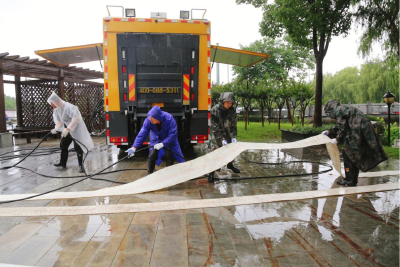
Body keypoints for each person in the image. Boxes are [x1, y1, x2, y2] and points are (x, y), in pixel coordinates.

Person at [322, 100, 388, 186]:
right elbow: (342, 125)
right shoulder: (343, 108)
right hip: (362, 128)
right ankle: (352, 180)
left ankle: (349, 180)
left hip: (357, 130)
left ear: (330, 109)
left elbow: (342, 128)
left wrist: (337, 139)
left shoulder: (339, 111)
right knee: (353, 155)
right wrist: (329, 131)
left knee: (348, 154)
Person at [126, 105, 185, 174]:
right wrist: (134, 147)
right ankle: (150, 173)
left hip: (168, 138)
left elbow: (173, 134)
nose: (150, 120)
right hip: (156, 137)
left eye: (152, 118)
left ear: (158, 118)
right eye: (150, 117)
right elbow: (142, 134)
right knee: (152, 154)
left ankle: (170, 173)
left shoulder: (169, 119)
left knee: (169, 154)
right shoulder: (148, 121)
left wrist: (163, 143)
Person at [47, 92, 94, 173]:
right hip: (68, 129)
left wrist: (68, 128)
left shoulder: (69, 107)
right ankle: (62, 163)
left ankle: (81, 166)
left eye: (52, 103)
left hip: (77, 129)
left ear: (56, 101)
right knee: (63, 144)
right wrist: (56, 128)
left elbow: (76, 119)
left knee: (78, 147)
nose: (52, 105)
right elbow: (60, 121)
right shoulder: (57, 109)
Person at [207, 92, 240, 181]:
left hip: (227, 132)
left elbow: (233, 125)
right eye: (228, 102)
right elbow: (215, 127)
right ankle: (211, 172)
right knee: (214, 151)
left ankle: (230, 164)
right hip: (216, 133)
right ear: (222, 101)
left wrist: (233, 137)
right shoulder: (215, 110)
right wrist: (222, 139)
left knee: (231, 150)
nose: (230, 104)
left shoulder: (232, 110)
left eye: (231, 102)